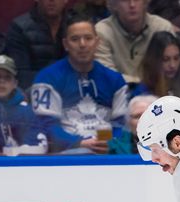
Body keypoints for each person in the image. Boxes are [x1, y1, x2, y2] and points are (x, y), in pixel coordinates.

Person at [30, 13, 128, 154]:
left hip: (107, 152)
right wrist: (79, 143)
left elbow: (121, 124)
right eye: (75, 39)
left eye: (88, 38)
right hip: (66, 156)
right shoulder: (47, 78)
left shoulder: (115, 80)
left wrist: (105, 141)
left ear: (97, 42)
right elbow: (47, 126)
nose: (82, 44)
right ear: (65, 44)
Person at [93, 0, 176, 84]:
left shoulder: (162, 27)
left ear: (145, 2)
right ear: (114, 5)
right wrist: (142, 86)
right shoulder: (101, 32)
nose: (132, 5)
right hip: (118, 93)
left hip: (160, 92)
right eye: (125, 1)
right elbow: (106, 75)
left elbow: (173, 69)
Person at [4, 0, 68, 90]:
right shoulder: (19, 27)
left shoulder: (75, 25)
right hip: (33, 90)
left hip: (71, 89)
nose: (51, 1)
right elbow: (21, 73)